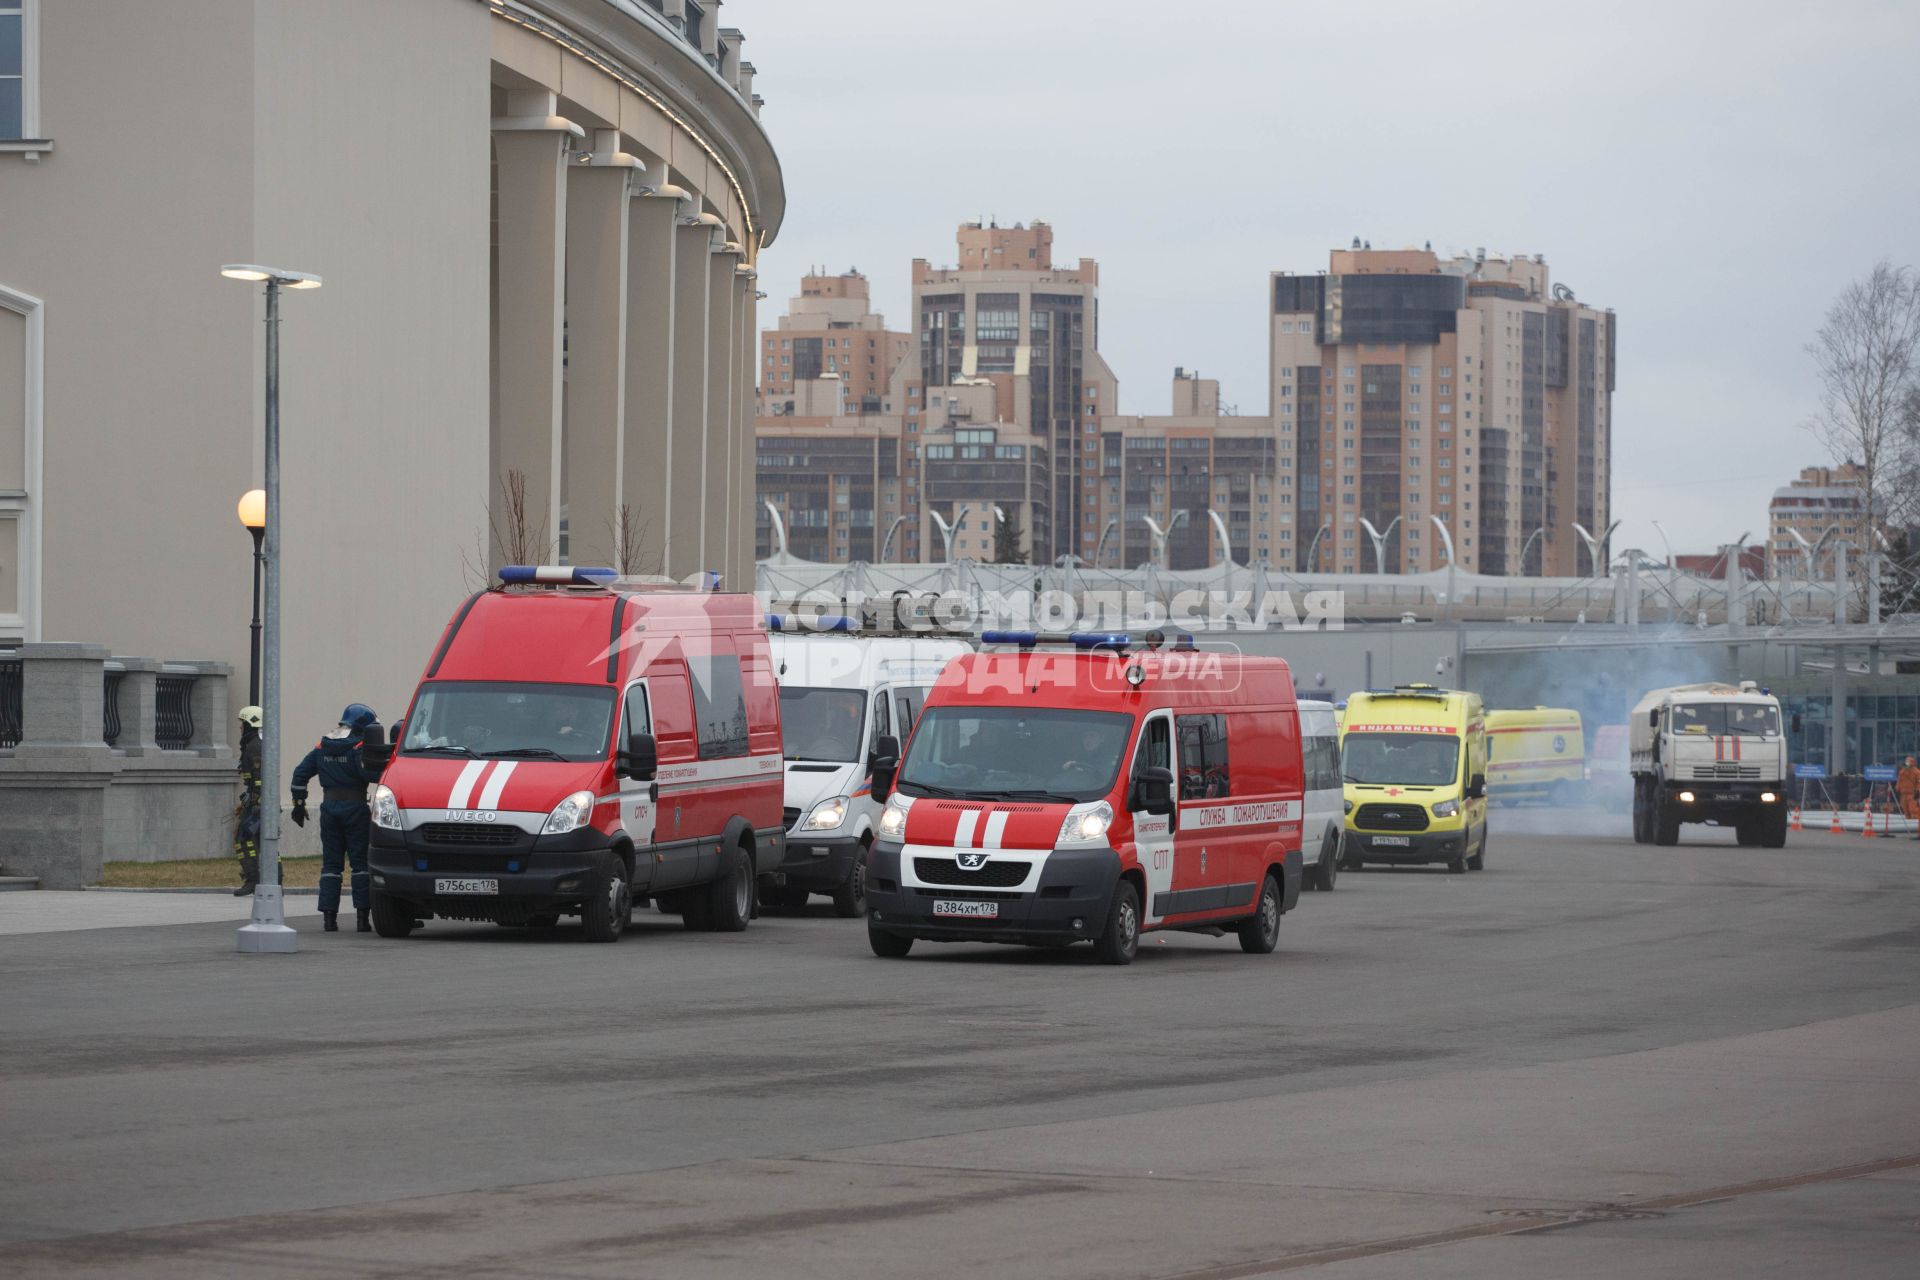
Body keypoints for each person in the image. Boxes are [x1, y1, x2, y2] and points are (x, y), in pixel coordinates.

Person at [291, 703, 384, 933]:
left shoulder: (323, 744)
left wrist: (299, 804)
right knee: (360, 865)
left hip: (329, 809)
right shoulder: (358, 747)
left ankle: (329, 920)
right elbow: (369, 774)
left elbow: (300, 773)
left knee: (331, 866)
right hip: (355, 809)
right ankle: (363, 920)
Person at [232, 706, 264, 896]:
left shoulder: (254, 746)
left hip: (258, 805)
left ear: (249, 723)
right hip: (256, 802)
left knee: (242, 840)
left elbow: (259, 778)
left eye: (242, 723)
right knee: (264, 842)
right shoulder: (254, 744)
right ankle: (273, 881)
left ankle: (253, 880)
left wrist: (256, 803)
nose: (240, 728)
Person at [1898, 755, 1920, 841]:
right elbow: (1899, 780)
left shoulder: (1917, 772)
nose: (1907, 763)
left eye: (1909, 761)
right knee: (1905, 808)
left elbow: (1919, 782)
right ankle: (1909, 825)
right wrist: (1898, 787)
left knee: (1913, 810)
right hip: (1903, 793)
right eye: (1907, 761)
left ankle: (1914, 827)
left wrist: (1918, 790)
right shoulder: (1902, 771)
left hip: (1912, 794)